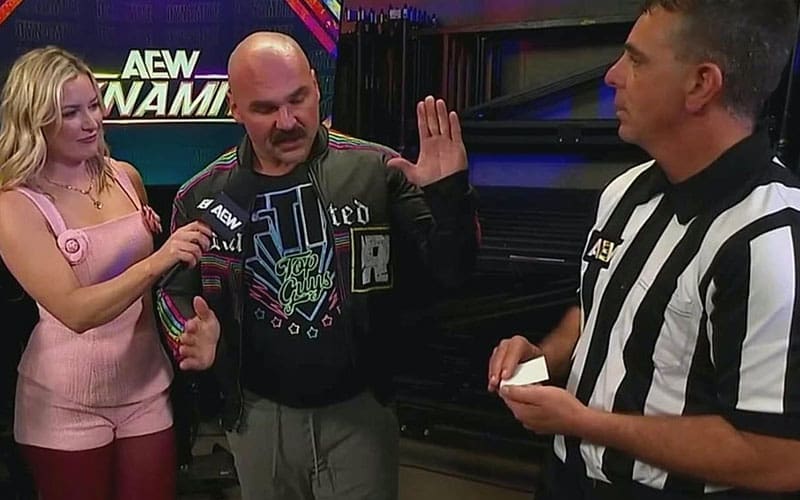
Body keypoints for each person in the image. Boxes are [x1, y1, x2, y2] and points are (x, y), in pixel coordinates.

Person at [488, 1, 800, 498]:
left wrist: (586, 422)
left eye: (636, 61)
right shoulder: (625, 193)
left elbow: (779, 456)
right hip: (567, 479)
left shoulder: (768, 238)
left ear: (701, 84)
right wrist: (541, 361)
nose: (612, 76)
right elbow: (597, 311)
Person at [156, 32, 478, 500]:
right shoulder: (201, 196)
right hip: (257, 417)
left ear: (315, 84)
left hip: (360, 410)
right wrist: (188, 332)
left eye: (298, 99)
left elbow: (453, 272)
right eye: (266, 109)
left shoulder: (377, 169)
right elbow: (173, 290)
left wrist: (449, 197)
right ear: (234, 108)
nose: (288, 121)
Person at [0, 46, 212, 500]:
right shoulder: (14, 204)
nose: (92, 122)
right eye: (71, 113)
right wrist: (158, 258)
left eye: (94, 105)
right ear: (35, 121)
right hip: (65, 404)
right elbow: (76, 312)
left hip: (146, 386)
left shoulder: (125, 177)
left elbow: (149, 288)